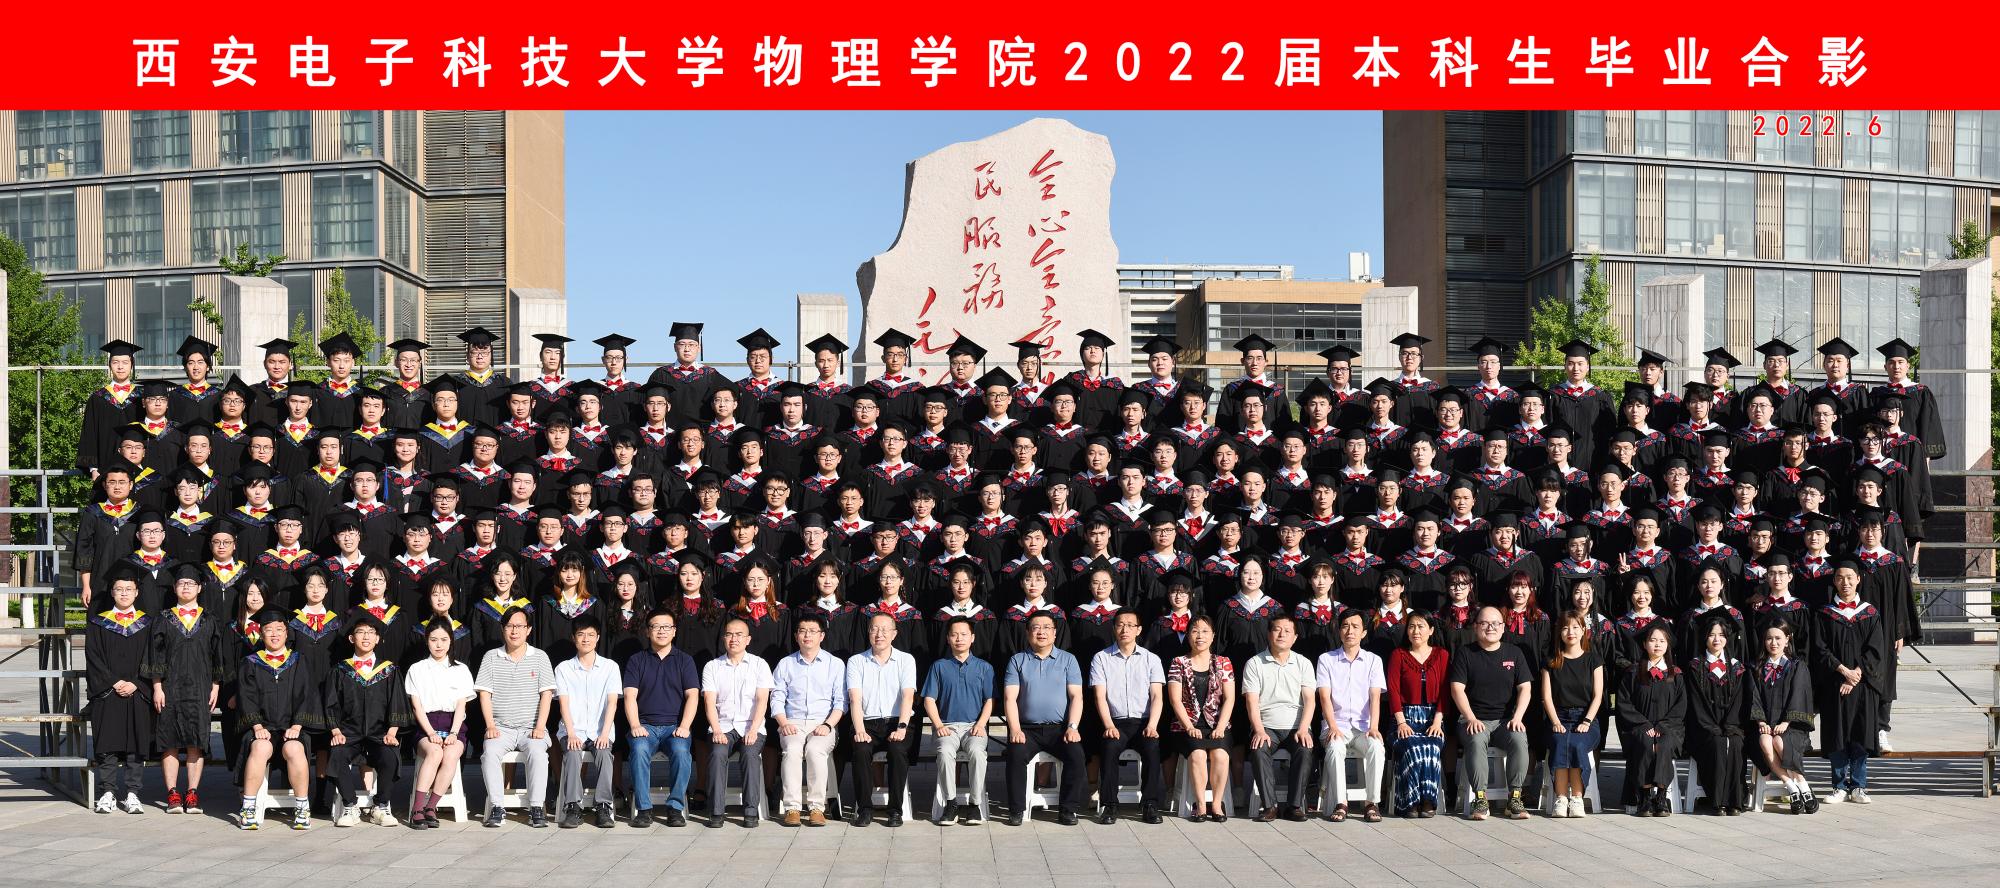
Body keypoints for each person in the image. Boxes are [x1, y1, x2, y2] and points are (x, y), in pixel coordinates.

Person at [145, 563, 221, 816]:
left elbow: (217, 656)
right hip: (170, 687)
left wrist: (216, 686)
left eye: (191, 583)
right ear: (174, 588)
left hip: (200, 687)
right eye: (181, 583)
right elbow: (155, 655)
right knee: (169, 742)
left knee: (195, 742)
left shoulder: (209, 619)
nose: (186, 587)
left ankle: (192, 793)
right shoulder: (163, 618)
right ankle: (172, 793)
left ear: (199, 588)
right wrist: (157, 687)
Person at [235, 608, 320, 830]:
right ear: (261, 634)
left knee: (294, 748)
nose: (274, 634)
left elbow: (306, 694)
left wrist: (297, 725)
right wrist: (257, 725)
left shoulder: (298, 660)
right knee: (260, 747)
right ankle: (248, 807)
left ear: (286, 633)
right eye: (269, 630)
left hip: (291, 727)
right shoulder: (251, 662)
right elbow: (246, 696)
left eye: (279, 629)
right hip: (261, 727)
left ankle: (302, 807)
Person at [1448, 606, 1533, 821]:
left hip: (1505, 721)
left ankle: (1515, 797)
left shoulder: (1514, 653)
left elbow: (1525, 688)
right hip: (1473, 719)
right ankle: (1480, 798)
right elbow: (1457, 688)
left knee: (1519, 738)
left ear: (1503, 627)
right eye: (1484, 623)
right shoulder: (1466, 653)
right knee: (1476, 739)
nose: (1490, 627)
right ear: (1476, 627)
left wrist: (1518, 717)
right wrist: (1470, 717)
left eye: (1495, 623)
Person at [1003, 611, 1088, 826]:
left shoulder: (1068, 660)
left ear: (1055, 633)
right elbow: (1010, 698)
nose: (1041, 632)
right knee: (1015, 754)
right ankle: (1016, 810)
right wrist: (1015, 729)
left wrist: (1072, 727)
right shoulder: (1017, 660)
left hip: (1059, 729)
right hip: (1026, 729)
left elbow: (1076, 696)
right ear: (1027, 633)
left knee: (1076, 755)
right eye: (1036, 627)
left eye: (1046, 627)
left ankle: (1068, 809)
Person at [324, 615, 409, 828]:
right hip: (348, 732)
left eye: (371, 633)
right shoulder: (340, 670)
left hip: (380, 732)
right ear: (351, 638)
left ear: (378, 639)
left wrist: (392, 732)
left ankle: (381, 806)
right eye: (361, 632)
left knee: (390, 755)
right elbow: (331, 703)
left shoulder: (389, 670)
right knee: (337, 754)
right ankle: (350, 806)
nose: (366, 636)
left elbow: (397, 702)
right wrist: (336, 731)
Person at [476, 608, 557, 828]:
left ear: (528, 630)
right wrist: (490, 725)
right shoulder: (491, 657)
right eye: (510, 626)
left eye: (520, 626)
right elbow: (484, 694)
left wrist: (540, 726)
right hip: (501, 728)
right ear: (503, 629)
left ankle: (536, 807)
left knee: (538, 754)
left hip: (532, 728)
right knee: (489, 753)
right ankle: (497, 807)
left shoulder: (540, 657)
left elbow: (547, 695)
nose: (514, 631)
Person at [1814, 561, 1887, 805]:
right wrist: (1844, 671)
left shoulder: (1870, 613)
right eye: (1839, 578)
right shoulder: (1824, 614)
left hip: (1862, 685)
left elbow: (1876, 649)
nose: (1845, 582)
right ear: (1834, 581)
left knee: (1860, 734)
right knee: (1836, 735)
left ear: (1858, 579)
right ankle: (1838, 787)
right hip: (1834, 685)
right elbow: (1820, 649)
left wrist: (1855, 675)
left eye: (1849, 577)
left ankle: (1858, 786)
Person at [623, 608, 701, 828]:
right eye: (656, 627)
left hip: (674, 727)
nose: (661, 631)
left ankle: (675, 808)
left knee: (681, 752)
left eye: (666, 627)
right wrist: (635, 725)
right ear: (647, 632)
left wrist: (685, 726)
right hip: (645, 726)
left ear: (674, 631)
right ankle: (644, 809)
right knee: (639, 749)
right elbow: (629, 696)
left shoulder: (684, 660)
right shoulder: (637, 660)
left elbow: (693, 696)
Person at [87, 565, 156, 815]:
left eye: (129, 589)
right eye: (119, 589)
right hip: (108, 691)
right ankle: (107, 791)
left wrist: (137, 682)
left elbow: (153, 657)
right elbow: (93, 657)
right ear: (112, 592)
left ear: (137, 592)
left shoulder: (148, 623)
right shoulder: (99, 623)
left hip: (138, 691)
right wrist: (114, 682)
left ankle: (132, 793)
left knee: (136, 744)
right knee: (107, 742)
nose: (124, 593)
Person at [1088, 610, 1166, 824]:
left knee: (1152, 747)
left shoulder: (1151, 659)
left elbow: (1157, 696)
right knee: (1109, 747)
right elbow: (1099, 696)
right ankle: (1110, 805)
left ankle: (1149, 805)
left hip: (1144, 722)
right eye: (1120, 624)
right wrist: (1108, 725)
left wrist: (1152, 725)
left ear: (1139, 630)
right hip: (1116, 723)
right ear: (1114, 628)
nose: (1125, 629)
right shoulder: (1101, 658)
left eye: (1131, 625)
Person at [770, 612, 846, 827]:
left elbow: (841, 702)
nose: (807, 635)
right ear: (796, 636)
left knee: (815, 750)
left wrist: (828, 725)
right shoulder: (785, 664)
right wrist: (783, 723)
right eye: (802, 631)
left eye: (812, 631)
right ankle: (792, 808)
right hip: (791, 722)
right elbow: (776, 697)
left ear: (822, 636)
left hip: (823, 723)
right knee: (792, 750)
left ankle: (816, 808)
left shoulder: (835, 664)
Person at [1241, 615, 1318, 822]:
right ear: (1269, 634)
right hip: (1267, 726)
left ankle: (1294, 806)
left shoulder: (1303, 663)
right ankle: (1269, 806)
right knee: (1258, 749)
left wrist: (1304, 728)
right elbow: (1251, 702)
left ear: (1295, 637)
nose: (1282, 634)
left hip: (1297, 727)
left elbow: (1310, 701)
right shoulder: (1254, 663)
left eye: (1287, 631)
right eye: (1277, 629)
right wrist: (1259, 730)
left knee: (1305, 749)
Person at [846, 612, 919, 826]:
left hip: (897, 721)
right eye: (875, 629)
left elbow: (908, 696)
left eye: (885, 630)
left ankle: (895, 810)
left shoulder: (906, 660)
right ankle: (865, 809)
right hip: (867, 722)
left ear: (894, 634)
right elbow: (855, 699)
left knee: (897, 751)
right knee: (861, 750)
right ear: (868, 632)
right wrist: (860, 730)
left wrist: (902, 727)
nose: (879, 634)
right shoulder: (856, 661)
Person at [923, 616, 996, 825]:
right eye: (954, 634)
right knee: (945, 752)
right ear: (947, 638)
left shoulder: (984, 667)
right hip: (947, 726)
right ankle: (951, 804)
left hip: (974, 726)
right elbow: (929, 700)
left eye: (964, 634)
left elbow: (990, 700)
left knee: (978, 753)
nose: (959, 638)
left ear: (972, 638)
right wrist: (938, 725)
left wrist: (981, 724)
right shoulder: (939, 666)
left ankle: (974, 805)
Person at [701, 616, 773, 828]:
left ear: (748, 639)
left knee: (750, 755)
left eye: (739, 634)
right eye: (729, 634)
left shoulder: (759, 665)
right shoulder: (712, 666)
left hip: (751, 726)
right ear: (724, 638)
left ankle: (750, 811)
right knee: (717, 753)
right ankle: (716, 811)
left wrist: (753, 729)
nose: (734, 639)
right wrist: (716, 730)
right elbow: (709, 702)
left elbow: (762, 700)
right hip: (722, 726)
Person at [1315, 610, 1386, 823]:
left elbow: (1375, 697)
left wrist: (1374, 727)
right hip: (1336, 725)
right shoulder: (1326, 659)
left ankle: (1371, 803)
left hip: (1364, 726)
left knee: (1376, 747)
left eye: (1355, 627)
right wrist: (1332, 726)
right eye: (1345, 626)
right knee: (1335, 747)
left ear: (1364, 632)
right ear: (1339, 631)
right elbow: (1324, 697)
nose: (1350, 631)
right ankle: (1341, 802)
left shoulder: (1373, 660)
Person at [404, 617, 475, 829]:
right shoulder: (417, 669)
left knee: (451, 754)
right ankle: (417, 808)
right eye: (434, 639)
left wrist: (453, 733)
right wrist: (431, 733)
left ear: (451, 641)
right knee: (435, 752)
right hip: (426, 725)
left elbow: (461, 705)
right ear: (427, 640)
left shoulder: (461, 669)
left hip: (454, 725)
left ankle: (431, 807)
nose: (438, 644)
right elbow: (417, 707)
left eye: (444, 639)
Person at [554, 615, 622, 829]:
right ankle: (573, 807)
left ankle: (603, 806)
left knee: (604, 754)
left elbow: (612, 702)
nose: (586, 639)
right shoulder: (563, 668)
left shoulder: (610, 667)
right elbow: (563, 704)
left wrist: (605, 733)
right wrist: (571, 733)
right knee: (573, 754)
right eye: (581, 634)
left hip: (600, 729)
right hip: (572, 730)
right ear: (573, 638)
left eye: (591, 635)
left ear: (598, 637)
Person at [1616, 621, 1687, 816]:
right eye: (1653, 640)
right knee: (1646, 743)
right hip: (1638, 727)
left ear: (1668, 645)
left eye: (1662, 641)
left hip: (1669, 728)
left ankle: (1661, 797)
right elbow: (1624, 703)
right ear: (1644, 644)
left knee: (1663, 744)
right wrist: (1643, 724)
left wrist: (1663, 726)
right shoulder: (1633, 672)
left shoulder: (1675, 674)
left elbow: (1680, 706)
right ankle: (1645, 797)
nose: (1657, 644)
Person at [1540, 610, 1603, 818]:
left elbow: (1598, 696)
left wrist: (1587, 721)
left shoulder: (1593, 660)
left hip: (1586, 717)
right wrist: (1555, 722)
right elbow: (1547, 697)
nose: (1571, 632)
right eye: (1566, 628)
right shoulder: (1551, 661)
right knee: (1560, 742)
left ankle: (1576, 798)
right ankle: (1561, 798)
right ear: (1559, 632)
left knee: (1576, 744)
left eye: (1576, 627)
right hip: (1558, 716)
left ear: (1583, 630)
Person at [1385, 611, 1449, 817]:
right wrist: (1401, 723)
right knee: (1412, 747)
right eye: (1412, 626)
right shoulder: (1398, 655)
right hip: (1403, 718)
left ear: (1431, 630)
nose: (1416, 631)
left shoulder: (1441, 655)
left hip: (1433, 719)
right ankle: (1409, 802)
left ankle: (1428, 800)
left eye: (1421, 626)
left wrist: (1437, 723)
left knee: (1431, 746)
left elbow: (1445, 692)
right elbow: (1393, 690)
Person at [1685, 619, 1750, 816]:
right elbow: (1696, 702)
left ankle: (1735, 800)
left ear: (1727, 638)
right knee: (1717, 743)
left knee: (1736, 743)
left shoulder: (1736, 667)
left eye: (1721, 635)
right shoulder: (1695, 666)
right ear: (1704, 637)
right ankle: (1717, 800)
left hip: (1732, 724)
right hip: (1703, 727)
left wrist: (1730, 725)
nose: (1716, 639)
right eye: (1712, 634)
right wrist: (1712, 727)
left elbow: (1740, 701)